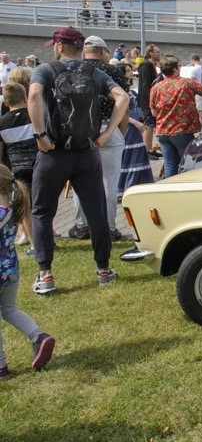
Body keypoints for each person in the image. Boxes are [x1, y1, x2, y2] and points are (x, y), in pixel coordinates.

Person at [28, 26, 130, 294]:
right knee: (96, 212)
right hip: (87, 152)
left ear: (60, 46)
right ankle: (103, 270)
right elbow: (123, 97)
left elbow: (35, 95)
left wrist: (40, 135)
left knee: (42, 212)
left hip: (54, 152)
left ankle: (46, 275)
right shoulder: (93, 72)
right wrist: (107, 134)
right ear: (81, 47)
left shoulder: (46, 70)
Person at [68, 36, 130, 242]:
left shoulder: (74, 70)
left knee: (79, 180)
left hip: (82, 129)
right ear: (103, 52)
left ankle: (81, 225)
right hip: (108, 126)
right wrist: (119, 131)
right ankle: (110, 227)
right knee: (110, 181)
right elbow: (124, 104)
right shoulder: (112, 71)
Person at [0, 164, 55, 380]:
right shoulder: (12, 209)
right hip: (10, 270)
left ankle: (1, 367)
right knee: (9, 309)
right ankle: (39, 337)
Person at [149, 55, 202, 178]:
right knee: (185, 163)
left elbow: (153, 113)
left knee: (170, 164)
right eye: (179, 66)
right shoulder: (187, 83)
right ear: (174, 69)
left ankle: (169, 190)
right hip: (182, 130)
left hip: (162, 132)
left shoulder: (156, 88)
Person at [0, 81, 37, 250]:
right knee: (43, 204)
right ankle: (46, 235)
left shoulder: (2, 123)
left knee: (26, 207)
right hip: (40, 164)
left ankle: (34, 243)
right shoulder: (34, 115)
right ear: (24, 97)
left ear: (6, 103)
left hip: (18, 170)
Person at [116, 62, 154, 198]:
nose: (131, 73)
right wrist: (135, 123)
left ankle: (138, 185)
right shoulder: (118, 90)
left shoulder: (129, 89)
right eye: (127, 71)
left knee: (137, 154)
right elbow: (119, 113)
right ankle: (127, 186)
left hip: (134, 123)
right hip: (128, 125)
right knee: (129, 154)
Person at [137, 44, 162, 159]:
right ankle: (146, 151)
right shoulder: (146, 66)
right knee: (149, 125)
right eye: (157, 52)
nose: (159, 54)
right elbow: (146, 85)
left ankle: (150, 148)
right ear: (150, 53)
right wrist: (152, 100)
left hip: (150, 100)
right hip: (147, 101)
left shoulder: (150, 66)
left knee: (151, 125)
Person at [180, 54, 202, 122]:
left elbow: (193, 82)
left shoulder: (194, 69)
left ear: (192, 60)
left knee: (201, 110)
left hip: (198, 91)